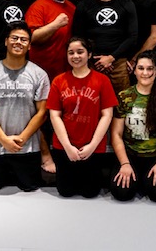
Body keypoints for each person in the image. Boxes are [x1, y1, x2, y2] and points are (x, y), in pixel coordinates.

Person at [0, 21, 50, 191]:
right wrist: (3, 139)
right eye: (14, 38)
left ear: (29, 45)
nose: (18, 42)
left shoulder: (39, 74)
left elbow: (42, 112)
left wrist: (22, 138)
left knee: (30, 193)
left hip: (28, 148)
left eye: (24, 40)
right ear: (6, 41)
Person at [47, 37, 118, 198]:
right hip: (64, 147)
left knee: (90, 192)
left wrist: (93, 145)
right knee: (65, 192)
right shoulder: (59, 81)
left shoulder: (102, 80)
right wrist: (67, 146)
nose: (75, 56)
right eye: (71, 53)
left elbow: (107, 115)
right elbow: (55, 115)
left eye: (80, 52)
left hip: (92, 147)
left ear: (90, 54)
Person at [110, 50, 156, 202]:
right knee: (121, 193)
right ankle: (138, 179)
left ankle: (145, 180)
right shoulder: (124, 97)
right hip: (130, 155)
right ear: (134, 70)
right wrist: (124, 164)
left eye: (150, 68)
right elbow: (116, 135)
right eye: (141, 68)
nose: (145, 73)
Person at [25, 0, 76, 173]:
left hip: (66, 76)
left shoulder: (72, 7)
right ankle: (44, 157)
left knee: (64, 119)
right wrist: (55, 24)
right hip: (42, 75)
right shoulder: (39, 7)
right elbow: (32, 38)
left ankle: (65, 157)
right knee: (41, 118)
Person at [72, 0, 138, 94]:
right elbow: (77, 37)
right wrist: (95, 59)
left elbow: (133, 36)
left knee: (121, 107)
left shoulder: (126, 4)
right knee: (92, 106)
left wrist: (111, 58)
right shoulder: (83, 6)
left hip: (119, 64)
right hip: (91, 64)